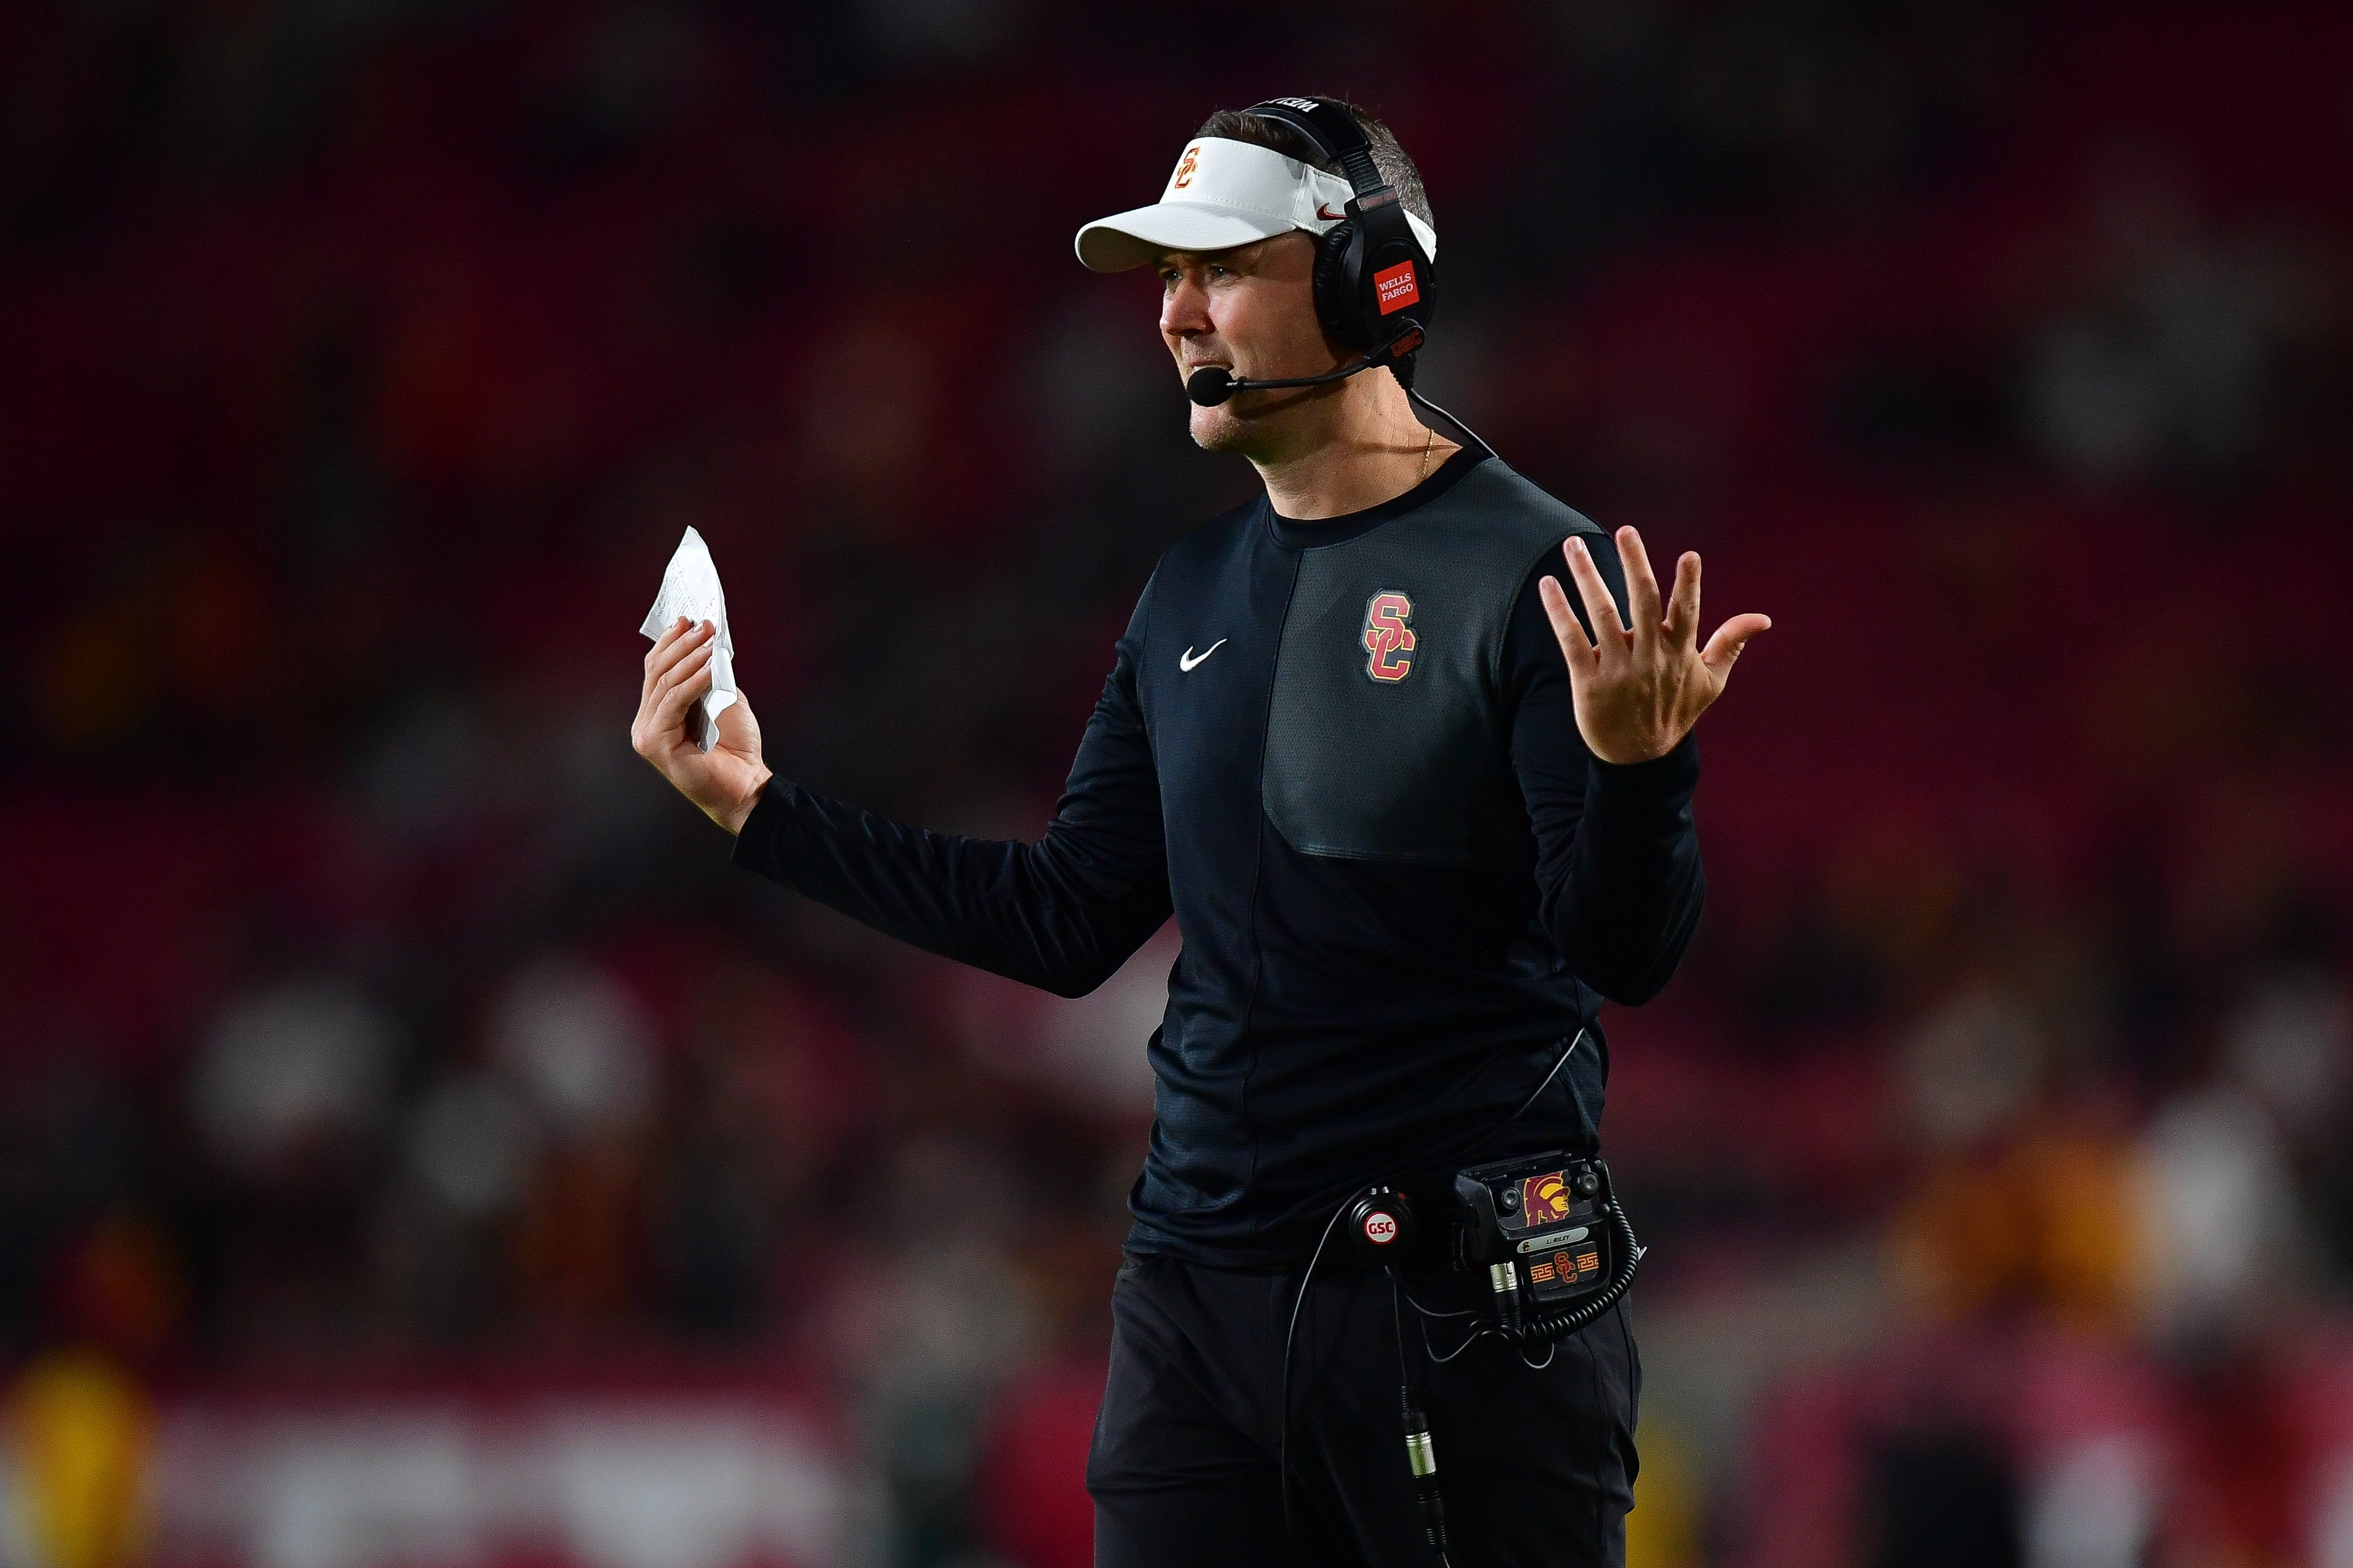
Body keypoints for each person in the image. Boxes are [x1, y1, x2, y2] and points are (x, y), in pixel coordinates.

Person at [632, 95, 1768, 1568]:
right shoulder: (1185, 591)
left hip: (1459, 1325)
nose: (1174, 317)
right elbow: (1066, 917)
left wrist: (1636, 770)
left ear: (1373, 281)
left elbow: (1625, 950)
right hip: (1196, 1309)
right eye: (1165, 280)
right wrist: (763, 816)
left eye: (1216, 268)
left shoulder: (1532, 571)